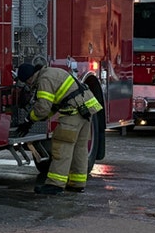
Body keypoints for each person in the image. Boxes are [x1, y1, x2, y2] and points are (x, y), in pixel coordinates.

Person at [11, 63, 103, 195]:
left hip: (73, 112)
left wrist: (28, 121)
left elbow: (43, 108)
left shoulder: (44, 80)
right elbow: (54, 105)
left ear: (30, 78)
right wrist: (38, 119)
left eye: (27, 82)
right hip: (86, 110)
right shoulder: (50, 72)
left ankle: (55, 185)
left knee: (62, 146)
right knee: (79, 148)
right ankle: (77, 183)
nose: (29, 86)